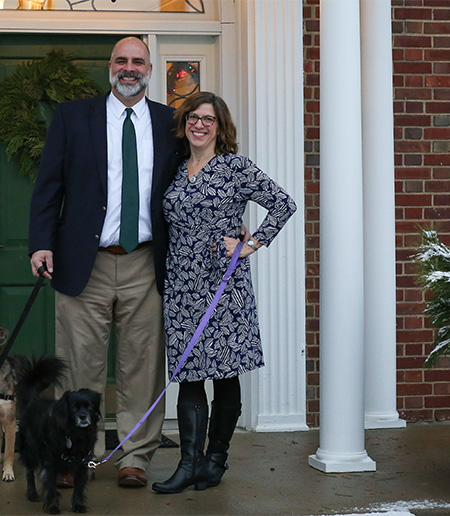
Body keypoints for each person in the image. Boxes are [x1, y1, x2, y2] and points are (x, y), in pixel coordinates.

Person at [28, 36, 181, 488]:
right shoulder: (74, 117)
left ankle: (134, 455)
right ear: (109, 67)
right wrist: (41, 242)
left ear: (150, 69)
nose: (129, 68)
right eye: (121, 60)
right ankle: (79, 457)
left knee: (143, 365)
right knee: (79, 366)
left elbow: (191, 182)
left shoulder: (170, 122)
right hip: (84, 262)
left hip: (146, 262)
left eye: (138, 61)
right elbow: (47, 186)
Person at [151, 92, 297, 494]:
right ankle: (188, 465)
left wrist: (251, 244)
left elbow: (284, 204)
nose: (200, 125)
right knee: (189, 376)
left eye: (208, 119)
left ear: (220, 127)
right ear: (184, 124)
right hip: (181, 282)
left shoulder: (235, 168)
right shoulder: (175, 169)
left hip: (222, 281)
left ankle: (215, 460)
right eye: (194, 118)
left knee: (225, 373)